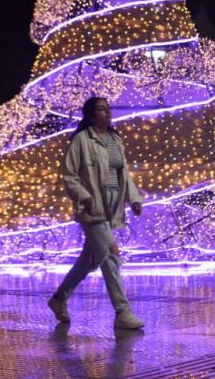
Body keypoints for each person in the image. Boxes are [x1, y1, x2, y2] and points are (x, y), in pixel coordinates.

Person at [48, 96, 145, 329]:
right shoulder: (81, 140)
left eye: (108, 108)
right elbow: (70, 175)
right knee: (111, 255)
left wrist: (134, 198)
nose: (107, 112)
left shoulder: (115, 139)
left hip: (113, 203)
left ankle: (59, 299)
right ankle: (123, 312)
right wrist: (85, 196)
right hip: (93, 207)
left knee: (88, 260)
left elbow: (124, 172)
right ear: (91, 116)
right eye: (101, 109)